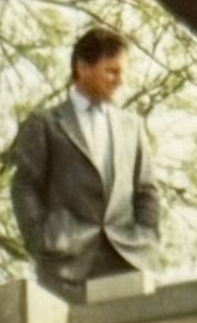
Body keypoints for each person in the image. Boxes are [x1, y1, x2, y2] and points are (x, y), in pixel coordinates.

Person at [10, 27, 160, 296]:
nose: (120, 81)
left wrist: (146, 237)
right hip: (64, 264)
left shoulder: (132, 127)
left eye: (122, 72)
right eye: (111, 71)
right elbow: (25, 186)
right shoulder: (45, 123)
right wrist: (40, 240)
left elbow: (147, 190)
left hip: (126, 259)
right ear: (82, 67)